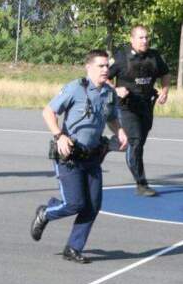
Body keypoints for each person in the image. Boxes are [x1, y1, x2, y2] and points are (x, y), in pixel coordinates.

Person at [31, 49, 128, 264]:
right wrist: (59, 136)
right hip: (69, 155)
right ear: (89, 67)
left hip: (93, 156)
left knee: (92, 206)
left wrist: (119, 131)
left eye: (107, 66)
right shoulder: (75, 88)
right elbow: (48, 112)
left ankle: (73, 248)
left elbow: (112, 118)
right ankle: (46, 213)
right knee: (74, 204)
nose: (105, 70)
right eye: (101, 66)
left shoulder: (109, 94)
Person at [108, 26, 170, 197]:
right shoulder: (121, 57)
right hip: (127, 106)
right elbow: (104, 77)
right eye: (141, 38)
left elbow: (165, 73)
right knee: (135, 143)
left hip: (146, 106)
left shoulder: (154, 56)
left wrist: (164, 91)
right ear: (132, 39)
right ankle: (141, 184)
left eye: (147, 37)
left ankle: (106, 145)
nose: (145, 41)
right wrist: (115, 90)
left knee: (137, 143)